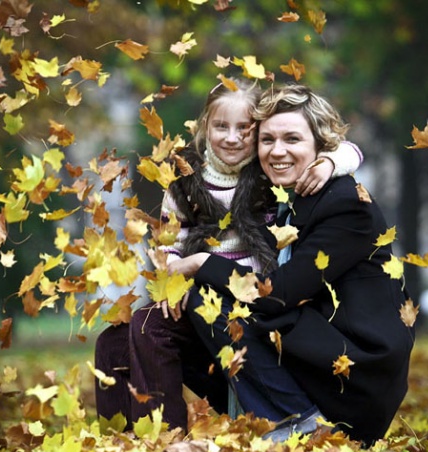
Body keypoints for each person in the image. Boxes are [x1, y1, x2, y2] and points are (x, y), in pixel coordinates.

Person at [94, 78, 364, 431]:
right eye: (222, 126)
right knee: (115, 339)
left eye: (245, 129)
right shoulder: (185, 177)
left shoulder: (269, 170)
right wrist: (173, 279)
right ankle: (128, 438)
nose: (233, 138)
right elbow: (169, 242)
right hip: (196, 289)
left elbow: (347, 150)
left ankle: (162, 438)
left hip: (251, 299)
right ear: (206, 126)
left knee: (152, 327)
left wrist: (329, 162)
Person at [169, 83, 414, 447]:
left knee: (218, 297)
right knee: (190, 320)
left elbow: (277, 295)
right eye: (267, 140)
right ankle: (262, 423)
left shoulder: (346, 204)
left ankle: (301, 424)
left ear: (321, 148)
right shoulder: (292, 196)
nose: (277, 151)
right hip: (320, 350)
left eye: (292, 139)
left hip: (356, 376)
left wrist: (200, 263)